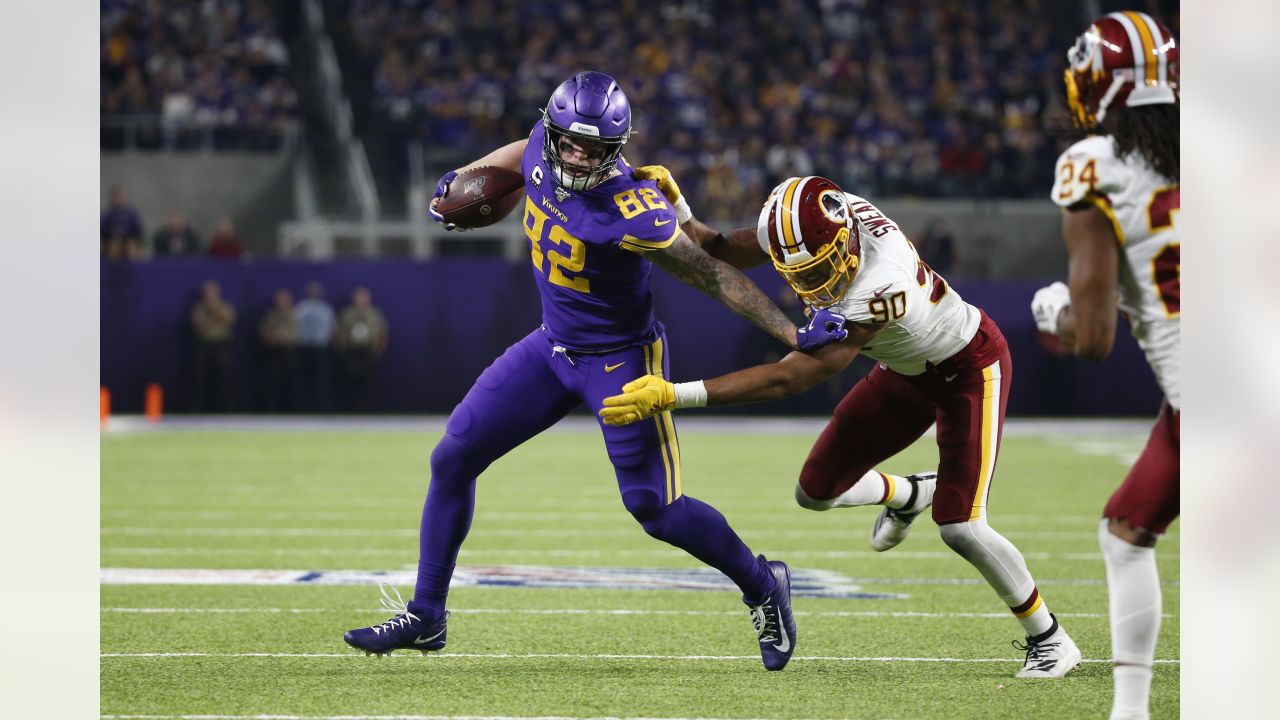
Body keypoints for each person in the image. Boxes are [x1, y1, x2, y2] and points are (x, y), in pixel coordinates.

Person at [343, 71, 846, 670]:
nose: (578, 156)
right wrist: (465, 181)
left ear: (618, 147)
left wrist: (792, 331)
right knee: (452, 457)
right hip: (553, 348)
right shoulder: (541, 144)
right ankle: (427, 617)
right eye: (569, 143)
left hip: (621, 358)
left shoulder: (635, 208)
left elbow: (714, 275)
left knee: (655, 509)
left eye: (594, 148)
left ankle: (763, 582)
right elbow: (512, 159)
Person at [600, 170, 1081, 679]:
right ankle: (907, 493)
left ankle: (1050, 638)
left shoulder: (882, 280)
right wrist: (679, 208)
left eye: (823, 268)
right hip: (903, 368)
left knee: (960, 525)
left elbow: (794, 378)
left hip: (966, 366)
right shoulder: (797, 225)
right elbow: (717, 247)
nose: (813, 284)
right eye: (801, 273)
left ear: (848, 238)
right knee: (816, 491)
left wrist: (676, 394)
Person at [1030, 12, 1179, 720]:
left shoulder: (1092, 166)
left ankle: (1131, 711)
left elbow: (1090, 341)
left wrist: (1055, 311)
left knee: (1126, 539)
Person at [334, 286, 389, 412]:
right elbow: (339, 332)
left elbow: (383, 332)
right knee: (351, 382)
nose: (361, 300)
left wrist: (379, 349)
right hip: (352, 352)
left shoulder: (374, 314)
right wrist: (342, 349)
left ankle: (366, 410)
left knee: (367, 383)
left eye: (363, 297)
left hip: (368, 352)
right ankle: (350, 410)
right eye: (358, 297)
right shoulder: (348, 313)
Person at [190, 279, 236, 412]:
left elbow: (229, 319)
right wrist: (212, 317)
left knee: (225, 379)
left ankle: (228, 409)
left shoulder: (224, 305)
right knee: (198, 378)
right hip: (204, 345)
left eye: (213, 291)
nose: (210, 294)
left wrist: (215, 310)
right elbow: (197, 323)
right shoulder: (199, 307)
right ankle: (195, 409)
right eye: (208, 292)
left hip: (221, 345)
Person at [294, 282, 336, 412]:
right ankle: (302, 408)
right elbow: (294, 327)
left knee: (321, 380)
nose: (314, 294)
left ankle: (321, 408)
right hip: (303, 348)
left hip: (320, 348)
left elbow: (332, 328)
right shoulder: (300, 308)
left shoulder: (325, 309)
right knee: (303, 380)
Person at [259, 288, 299, 412]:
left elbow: (302, 333)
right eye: (279, 299)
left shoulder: (296, 315)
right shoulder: (271, 316)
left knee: (293, 383)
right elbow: (263, 334)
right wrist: (276, 338)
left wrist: (289, 338)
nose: (282, 302)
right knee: (273, 383)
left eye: (284, 299)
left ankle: (295, 410)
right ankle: (271, 410)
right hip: (274, 353)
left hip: (291, 352)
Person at [101, 185, 144, 260]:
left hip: (128, 240)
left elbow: (138, 229)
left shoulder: (130, 213)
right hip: (113, 240)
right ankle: (114, 269)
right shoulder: (108, 214)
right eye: (117, 196)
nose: (119, 198)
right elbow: (103, 230)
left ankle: (133, 268)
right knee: (114, 247)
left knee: (132, 247)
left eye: (121, 196)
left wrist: (136, 239)